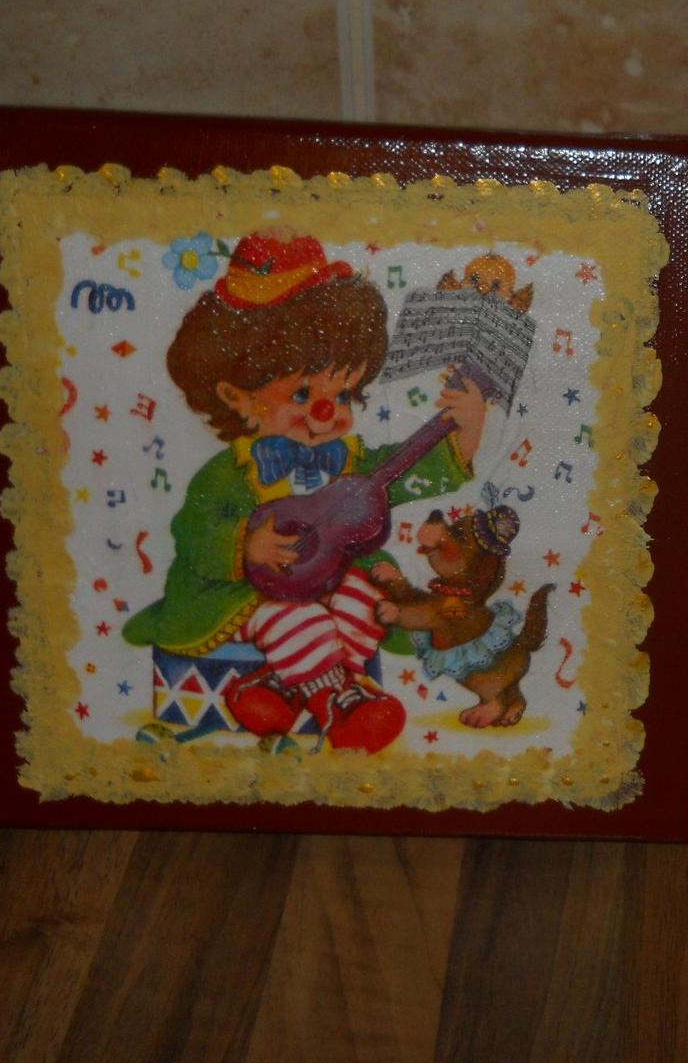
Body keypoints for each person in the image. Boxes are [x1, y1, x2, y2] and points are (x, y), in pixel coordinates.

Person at [122, 231, 488, 753]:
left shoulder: (350, 462)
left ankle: (277, 688)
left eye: (343, 394)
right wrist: (246, 546)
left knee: (369, 598)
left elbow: (409, 473)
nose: (326, 414)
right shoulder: (233, 472)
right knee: (297, 617)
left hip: (324, 587)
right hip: (242, 599)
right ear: (236, 397)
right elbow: (194, 530)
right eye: (301, 393)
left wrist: (465, 429)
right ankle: (341, 704)